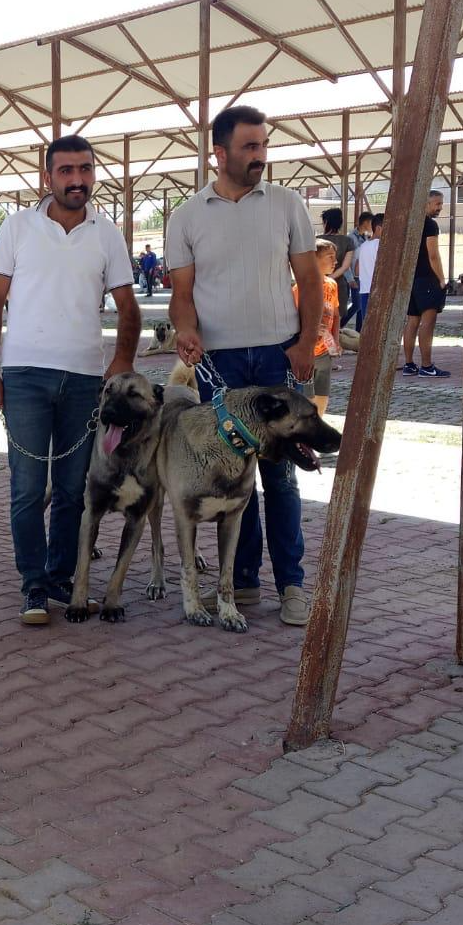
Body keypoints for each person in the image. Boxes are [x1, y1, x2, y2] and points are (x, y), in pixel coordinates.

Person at [167, 104, 321, 627]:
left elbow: (310, 279)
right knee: (235, 480)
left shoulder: (287, 204)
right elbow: (182, 295)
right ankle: (244, 582)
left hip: (278, 356)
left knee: (281, 476)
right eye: (250, 146)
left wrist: (305, 343)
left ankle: (292, 585)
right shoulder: (187, 216)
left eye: (263, 145)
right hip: (221, 366)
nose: (261, 155)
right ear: (220, 153)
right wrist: (186, 330)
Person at [0, 134, 139, 625]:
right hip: (24, 376)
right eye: (66, 171)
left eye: (85, 169)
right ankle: (32, 583)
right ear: (47, 177)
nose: (77, 180)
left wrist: (121, 361)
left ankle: (62, 577)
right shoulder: (17, 227)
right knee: (28, 489)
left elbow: (127, 306)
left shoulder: (107, 234)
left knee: (72, 490)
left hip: (85, 380)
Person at [402, 190, 450, 378]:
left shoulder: (409, 223)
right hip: (427, 278)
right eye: (437, 204)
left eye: (441, 204)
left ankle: (409, 364)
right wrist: (441, 279)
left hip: (411, 278)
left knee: (412, 321)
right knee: (427, 322)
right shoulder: (429, 225)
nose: (440, 207)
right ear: (426, 203)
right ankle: (427, 366)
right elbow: (433, 255)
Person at [297, 241, 342, 420]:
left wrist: (335, 340)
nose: (335, 262)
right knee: (306, 398)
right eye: (330, 257)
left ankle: (318, 425)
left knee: (322, 394)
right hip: (307, 352)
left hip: (324, 352)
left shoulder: (332, 285)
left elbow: (336, 315)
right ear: (314, 259)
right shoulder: (301, 287)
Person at [320, 208, 357, 328]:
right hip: (339, 285)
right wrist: (330, 278)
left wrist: (323, 279)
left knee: (319, 321)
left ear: (326, 222)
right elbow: (345, 266)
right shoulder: (347, 241)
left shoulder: (316, 241)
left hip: (317, 284)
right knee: (336, 321)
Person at [355, 213, 383, 331]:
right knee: (379, 327)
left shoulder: (363, 246)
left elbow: (357, 270)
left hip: (364, 290)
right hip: (378, 291)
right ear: (378, 228)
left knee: (368, 328)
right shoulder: (381, 245)